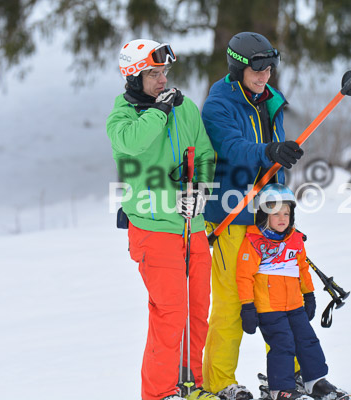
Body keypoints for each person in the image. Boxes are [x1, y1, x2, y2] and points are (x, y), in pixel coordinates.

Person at [106, 38, 218, 400]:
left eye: (164, 72)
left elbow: (204, 152)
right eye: (153, 73)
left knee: (198, 313)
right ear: (134, 76)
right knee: (171, 314)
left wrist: (200, 187)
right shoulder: (122, 116)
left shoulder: (184, 109)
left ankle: (192, 385)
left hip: (193, 228)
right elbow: (133, 144)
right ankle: (160, 393)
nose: (162, 80)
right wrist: (159, 111)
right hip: (154, 231)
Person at [201, 32, 305, 400]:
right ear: (238, 66)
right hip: (231, 215)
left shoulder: (270, 101)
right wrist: (269, 150)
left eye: (269, 68)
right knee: (231, 303)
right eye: (257, 68)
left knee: (278, 298)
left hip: (267, 214)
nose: (264, 75)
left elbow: (267, 155)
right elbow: (231, 147)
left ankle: (283, 377)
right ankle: (218, 382)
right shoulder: (218, 104)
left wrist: (279, 161)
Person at [236, 184, 348, 400]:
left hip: (295, 305)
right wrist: (247, 306)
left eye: (286, 213)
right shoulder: (254, 242)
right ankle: (282, 388)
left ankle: (315, 381)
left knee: (308, 340)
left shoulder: (294, 240)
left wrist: (309, 295)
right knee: (283, 344)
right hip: (269, 308)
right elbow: (244, 276)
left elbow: (302, 269)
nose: (282, 218)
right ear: (263, 215)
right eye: (275, 213)